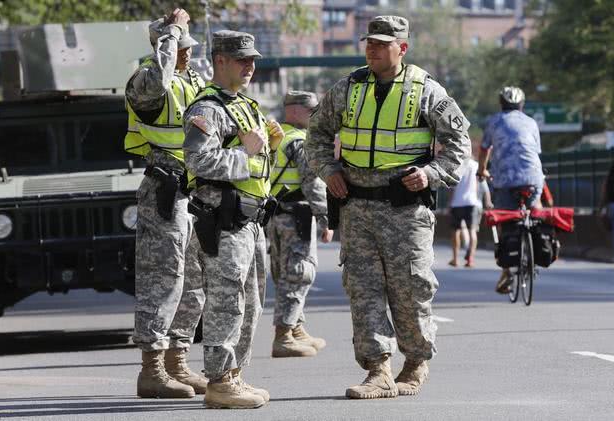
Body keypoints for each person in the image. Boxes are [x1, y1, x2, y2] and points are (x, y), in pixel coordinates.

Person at [305, 16, 471, 399]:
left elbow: (459, 144)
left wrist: (432, 174)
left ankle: (414, 364)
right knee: (362, 290)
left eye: (382, 43)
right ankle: (377, 370)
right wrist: (328, 170)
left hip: (406, 211)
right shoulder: (348, 88)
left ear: (403, 48)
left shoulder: (427, 90)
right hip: (357, 207)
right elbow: (317, 134)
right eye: (369, 42)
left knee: (410, 289)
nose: (373, 49)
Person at [182, 30, 284, 409]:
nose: (251, 66)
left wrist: (265, 150)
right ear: (219, 61)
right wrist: (246, 151)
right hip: (224, 218)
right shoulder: (207, 109)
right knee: (227, 301)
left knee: (251, 301)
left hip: (249, 219)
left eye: (253, 59)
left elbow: (255, 162)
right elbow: (197, 160)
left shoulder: (244, 104)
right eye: (242, 60)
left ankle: (234, 374)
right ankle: (220, 380)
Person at [124, 8, 207, 399]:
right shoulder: (147, 78)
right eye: (179, 47)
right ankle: (151, 369)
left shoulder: (191, 81)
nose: (185, 54)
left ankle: (177, 361)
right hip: (165, 188)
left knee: (193, 281)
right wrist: (171, 33)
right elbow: (160, 77)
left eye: (188, 47)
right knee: (163, 279)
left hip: (193, 192)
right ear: (162, 47)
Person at [269, 91, 334, 358]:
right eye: (312, 111)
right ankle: (284, 335)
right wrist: (326, 218)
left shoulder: (277, 137)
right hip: (297, 215)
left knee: (284, 272)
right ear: (296, 111)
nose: (316, 116)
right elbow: (313, 183)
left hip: (275, 214)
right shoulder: (300, 142)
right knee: (299, 272)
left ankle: (296, 328)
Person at [478, 86, 544, 294]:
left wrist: (482, 170)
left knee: (504, 221)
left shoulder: (494, 121)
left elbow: (484, 149)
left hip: (505, 180)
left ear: (501, 103)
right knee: (535, 211)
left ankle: (506, 271)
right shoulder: (532, 122)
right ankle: (536, 239)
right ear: (522, 104)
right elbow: (535, 152)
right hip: (534, 177)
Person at [448, 158, 481, 268]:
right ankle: (470, 259)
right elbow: (478, 183)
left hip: (457, 202)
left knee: (455, 231)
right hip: (472, 201)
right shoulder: (475, 165)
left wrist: (450, 202)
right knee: (472, 230)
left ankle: (455, 259)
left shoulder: (457, 164)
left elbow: (452, 186)